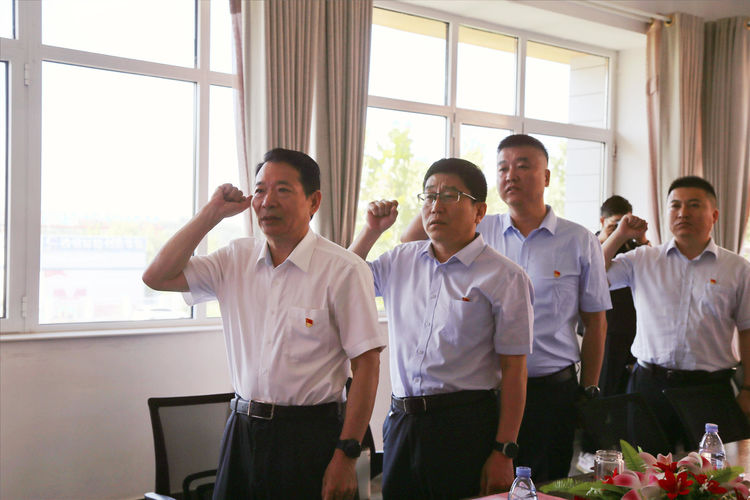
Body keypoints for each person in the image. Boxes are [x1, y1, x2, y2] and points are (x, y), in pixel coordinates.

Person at [142, 148, 386, 500]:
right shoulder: (235, 259)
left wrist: (347, 455)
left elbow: (367, 366)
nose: (267, 201)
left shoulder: (344, 269)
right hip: (241, 430)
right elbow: (157, 277)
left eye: (283, 190)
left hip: (312, 436)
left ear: (314, 201)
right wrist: (212, 213)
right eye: (260, 190)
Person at [401, 134, 610, 482]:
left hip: (549, 392)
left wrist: (588, 390)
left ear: (546, 176)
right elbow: (413, 242)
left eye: (522, 166)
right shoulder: (477, 226)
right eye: (502, 168)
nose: (510, 175)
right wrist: (440, 196)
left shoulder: (578, 240)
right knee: (483, 484)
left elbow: (596, 321)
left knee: (544, 484)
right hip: (485, 397)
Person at [349, 158, 534, 499]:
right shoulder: (400, 260)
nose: (436, 206)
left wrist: (503, 450)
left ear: (479, 211)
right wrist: (372, 231)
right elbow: (344, 282)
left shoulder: (505, 276)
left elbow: (515, 370)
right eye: (430, 195)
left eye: (450, 196)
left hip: (463, 426)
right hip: (402, 421)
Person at [602, 175, 750, 449]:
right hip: (649, 385)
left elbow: (747, 330)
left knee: (711, 471)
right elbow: (595, 276)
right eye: (675, 205)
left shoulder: (738, 269)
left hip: (709, 389)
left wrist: (748, 389)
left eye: (694, 205)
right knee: (646, 469)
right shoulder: (644, 259)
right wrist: (619, 234)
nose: (683, 213)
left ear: (714, 215)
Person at [597, 195, 649, 397]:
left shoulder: (632, 246)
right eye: (614, 224)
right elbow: (592, 271)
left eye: (623, 223)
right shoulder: (592, 243)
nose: (620, 229)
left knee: (629, 388)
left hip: (634, 325)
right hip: (607, 326)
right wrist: (614, 236)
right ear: (602, 221)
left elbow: (653, 267)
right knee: (606, 385)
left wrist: (641, 238)